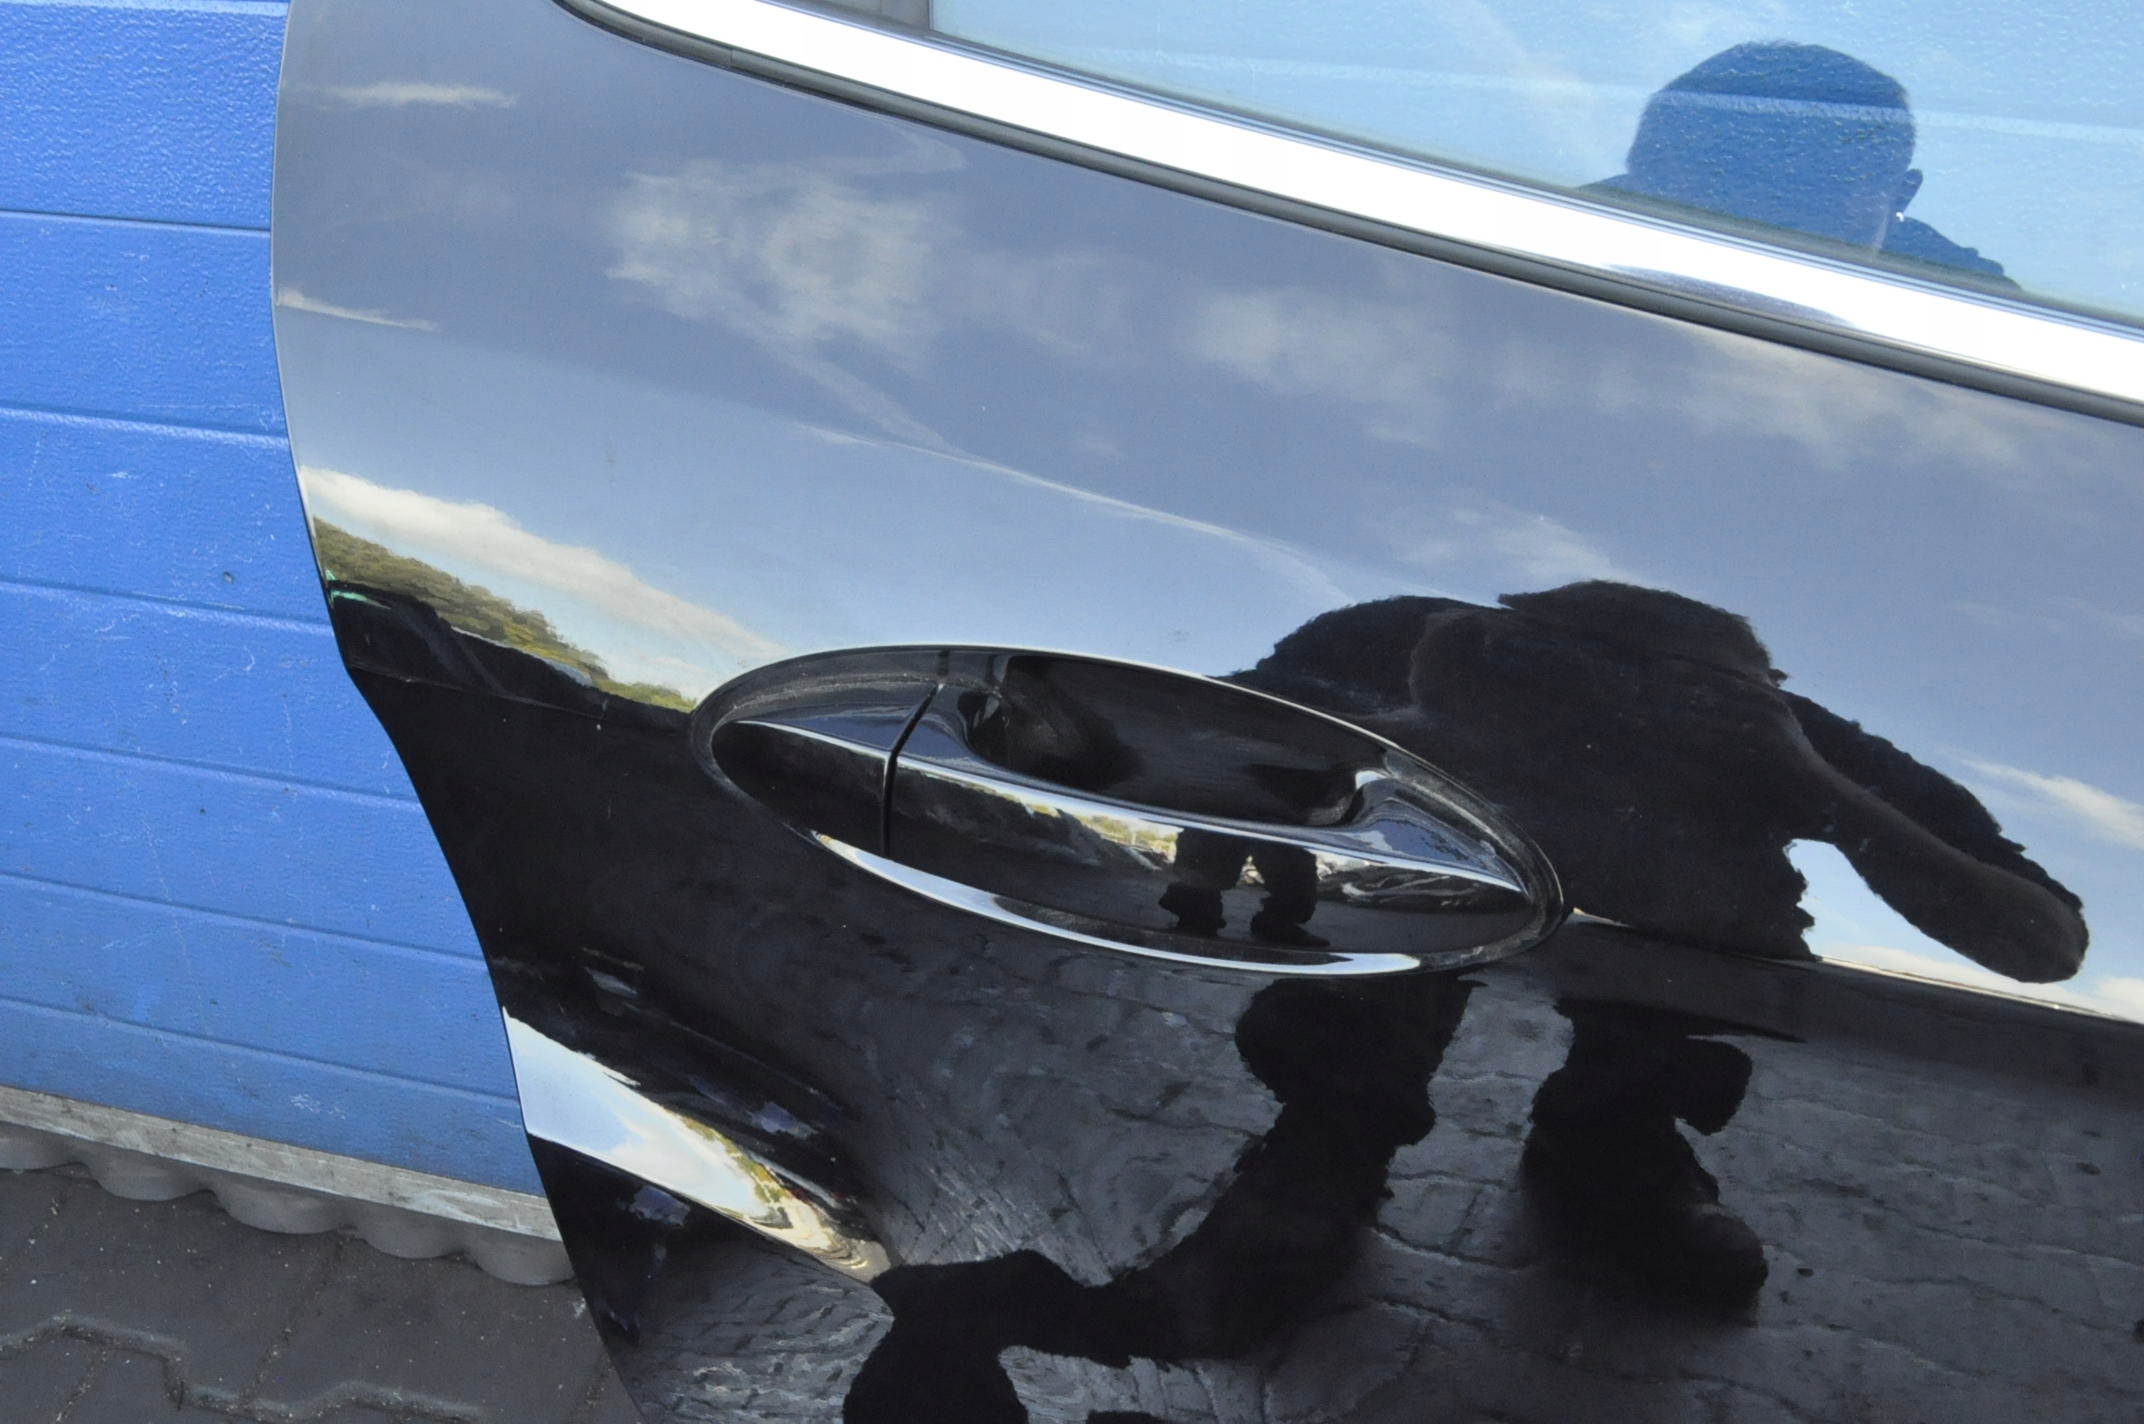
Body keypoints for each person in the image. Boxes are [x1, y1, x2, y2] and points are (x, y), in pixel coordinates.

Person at [1593, 41, 2014, 285]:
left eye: (1823, 188)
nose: (1766, 218)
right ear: (1644, 173)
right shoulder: (1570, 241)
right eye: (1726, 179)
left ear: (1900, 198)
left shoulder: (1970, 304)